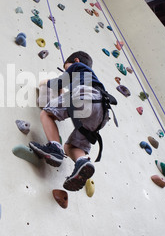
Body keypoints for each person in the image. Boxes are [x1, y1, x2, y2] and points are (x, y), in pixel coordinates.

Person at [29, 51, 110, 191]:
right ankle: (82, 162)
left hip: (87, 97)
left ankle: (54, 147)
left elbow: (58, 83)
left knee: (46, 114)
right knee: (70, 147)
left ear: (76, 61)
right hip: (103, 112)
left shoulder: (77, 66)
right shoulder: (90, 78)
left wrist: (45, 82)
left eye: (66, 68)